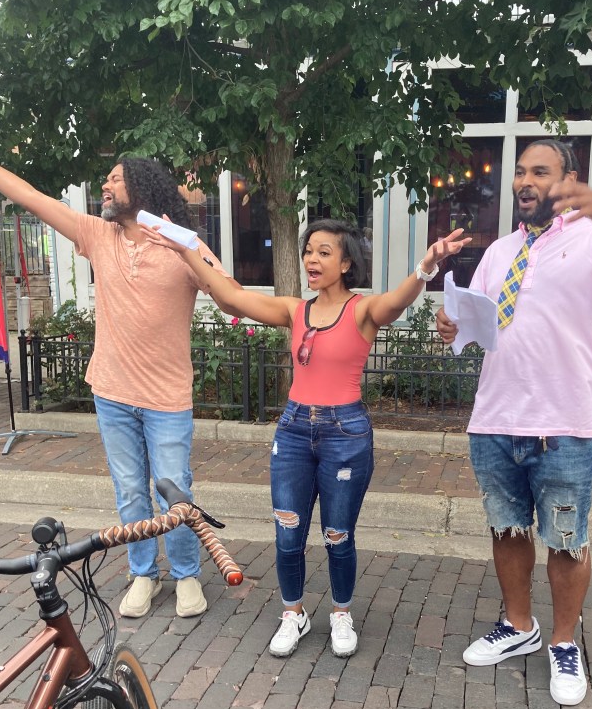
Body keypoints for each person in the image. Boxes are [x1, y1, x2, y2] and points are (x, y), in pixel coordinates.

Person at [142, 216, 466, 657]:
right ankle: (293, 613)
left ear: (347, 262)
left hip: (345, 435)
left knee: (338, 534)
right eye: (309, 250)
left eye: (324, 252)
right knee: (288, 534)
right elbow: (231, 297)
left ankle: (341, 614)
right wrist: (184, 247)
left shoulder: (362, 310)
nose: (312, 259)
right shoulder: (296, 310)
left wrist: (426, 267)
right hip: (294, 432)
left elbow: (396, 303)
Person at [436, 139, 592, 705]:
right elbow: (486, 325)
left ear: (569, 180)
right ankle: (520, 628)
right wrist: (455, 329)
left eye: (539, 171)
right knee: (507, 530)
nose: (524, 181)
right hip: (495, 417)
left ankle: (565, 643)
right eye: (520, 172)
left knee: (566, 540)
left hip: (565, 423)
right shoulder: (498, 252)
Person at [0, 142, 237, 619]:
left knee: (174, 488)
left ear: (143, 187)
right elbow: (32, 197)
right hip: (111, 391)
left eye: (114, 179)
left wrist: (185, 246)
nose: (105, 187)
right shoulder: (96, 234)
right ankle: (142, 574)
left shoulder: (182, 242)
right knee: (130, 489)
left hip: (166, 395)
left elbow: (231, 299)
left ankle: (187, 573)